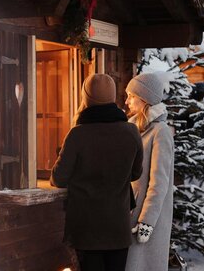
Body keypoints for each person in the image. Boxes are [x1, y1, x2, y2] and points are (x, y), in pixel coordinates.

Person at [50, 74, 143, 271]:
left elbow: (58, 178)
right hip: (118, 226)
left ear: (86, 98)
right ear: (112, 98)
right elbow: (135, 173)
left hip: (87, 229)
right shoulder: (131, 132)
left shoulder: (77, 134)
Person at [124, 72, 175, 271]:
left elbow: (159, 182)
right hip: (131, 211)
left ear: (144, 99)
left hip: (147, 218)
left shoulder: (160, 132)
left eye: (131, 96)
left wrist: (147, 220)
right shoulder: (134, 128)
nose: (127, 101)